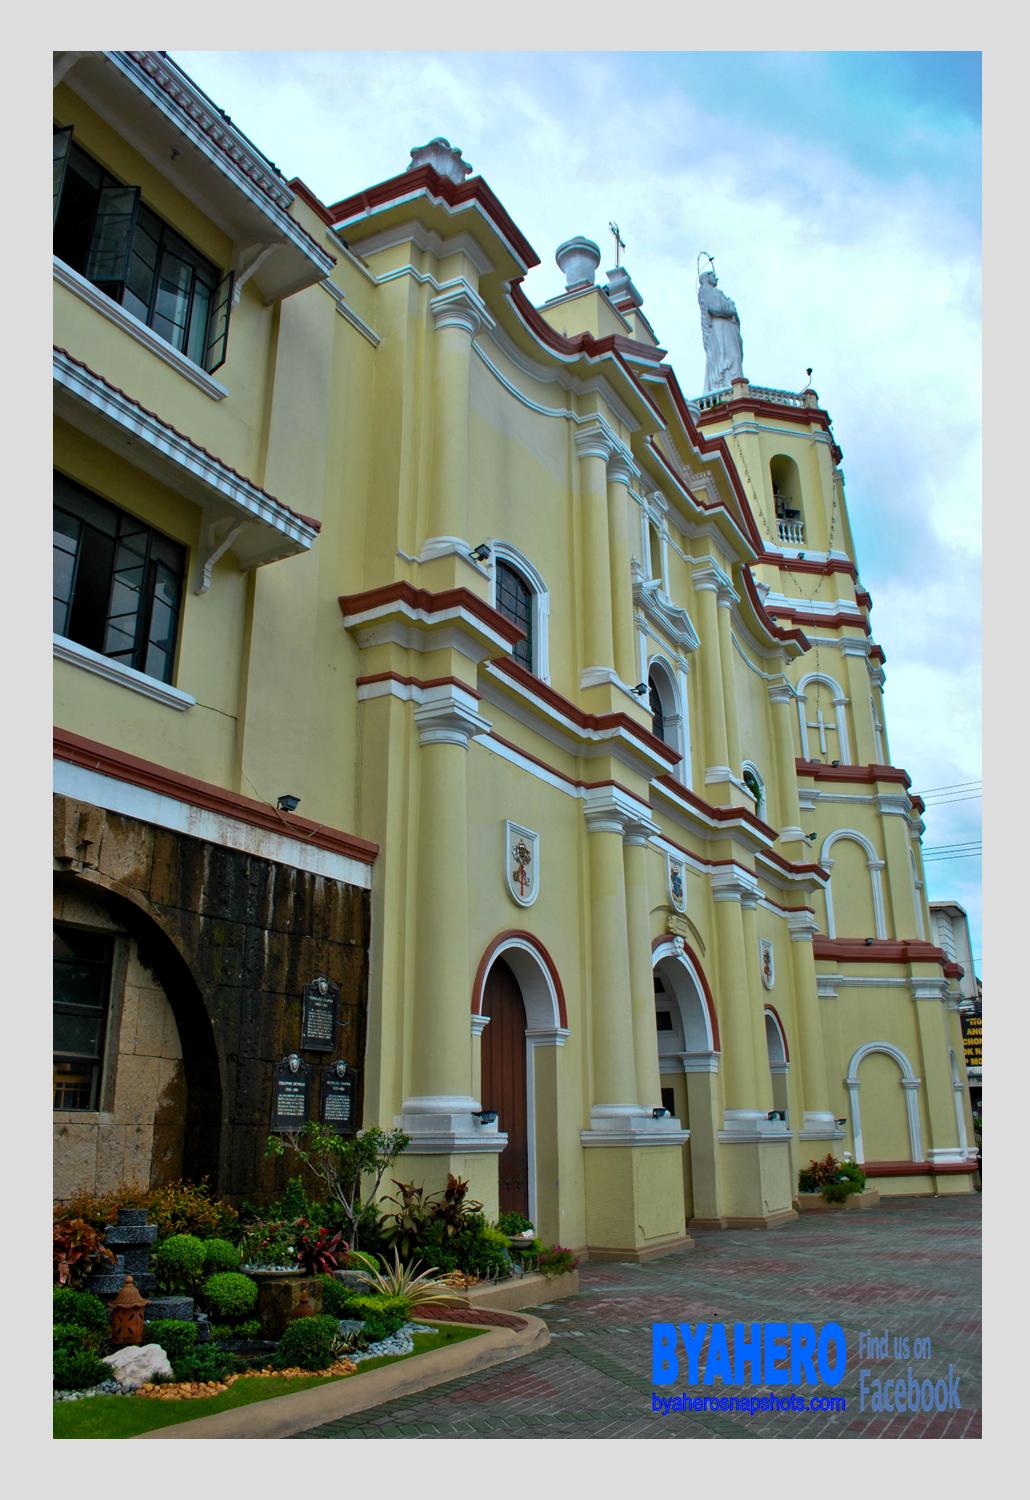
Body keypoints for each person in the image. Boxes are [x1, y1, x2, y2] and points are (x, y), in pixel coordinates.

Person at [698, 269, 744, 392]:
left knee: (733, 356)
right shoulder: (709, 292)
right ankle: (725, 383)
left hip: (726, 326)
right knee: (726, 356)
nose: (716, 278)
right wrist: (731, 305)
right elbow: (717, 308)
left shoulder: (714, 292)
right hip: (720, 328)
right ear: (706, 278)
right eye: (714, 276)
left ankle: (732, 383)